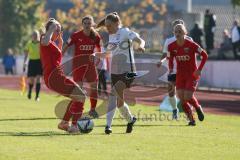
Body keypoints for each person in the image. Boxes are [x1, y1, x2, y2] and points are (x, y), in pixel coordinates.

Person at [95, 12, 145, 134]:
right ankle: (131, 119)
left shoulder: (125, 31)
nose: (108, 28)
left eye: (109, 25)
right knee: (119, 103)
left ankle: (108, 126)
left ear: (117, 23)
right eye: (106, 26)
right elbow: (108, 54)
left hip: (129, 71)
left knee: (112, 94)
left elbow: (140, 40)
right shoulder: (111, 37)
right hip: (115, 72)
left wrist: (141, 46)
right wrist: (95, 55)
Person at [40, 18, 86, 133]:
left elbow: (55, 58)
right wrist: (51, 29)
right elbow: (45, 41)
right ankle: (74, 126)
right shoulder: (44, 38)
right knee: (81, 96)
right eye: (57, 30)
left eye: (60, 31)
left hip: (55, 77)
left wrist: (60, 43)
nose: (59, 33)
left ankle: (65, 123)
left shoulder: (51, 44)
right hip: (55, 78)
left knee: (77, 97)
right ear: (51, 30)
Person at [168, 24, 208, 126]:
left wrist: (199, 69)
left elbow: (205, 55)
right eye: (176, 31)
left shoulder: (192, 44)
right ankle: (192, 120)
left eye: (180, 31)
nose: (177, 33)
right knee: (182, 99)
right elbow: (170, 58)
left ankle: (198, 108)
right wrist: (171, 68)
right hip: (180, 74)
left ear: (185, 33)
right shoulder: (171, 46)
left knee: (187, 96)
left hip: (192, 74)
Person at [63, 16, 101, 118]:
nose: (87, 25)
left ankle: (92, 110)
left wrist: (97, 57)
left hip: (90, 65)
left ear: (92, 24)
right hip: (78, 65)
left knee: (94, 87)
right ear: (82, 24)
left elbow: (100, 49)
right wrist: (60, 57)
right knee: (78, 90)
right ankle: (75, 111)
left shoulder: (96, 36)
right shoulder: (75, 35)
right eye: (85, 23)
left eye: (89, 23)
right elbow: (66, 45)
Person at [157, 19, 191, 120]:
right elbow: (165, 54)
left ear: (184, 28)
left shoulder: (189, 39)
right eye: (176, 28)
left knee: (185, 94)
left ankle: (188, 113)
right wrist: (161, 61)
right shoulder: (169, 41)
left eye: (180, 27)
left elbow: (193, 54)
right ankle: (174, 109)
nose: (178, 30)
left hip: (185, 71)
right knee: (171, 91)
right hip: (173, 70)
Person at [23, 30, 42, 101]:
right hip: (32, 62)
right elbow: (26, 55)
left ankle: (37, 96)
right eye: (34, 35)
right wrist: (24, 63)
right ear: (32, 36)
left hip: (39, 62)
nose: (35, 36)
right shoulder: (29, 44)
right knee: (31, 79)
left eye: (36, 35)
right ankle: (30, 91)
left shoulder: (40, 44)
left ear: (38, 36)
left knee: (38, 78)